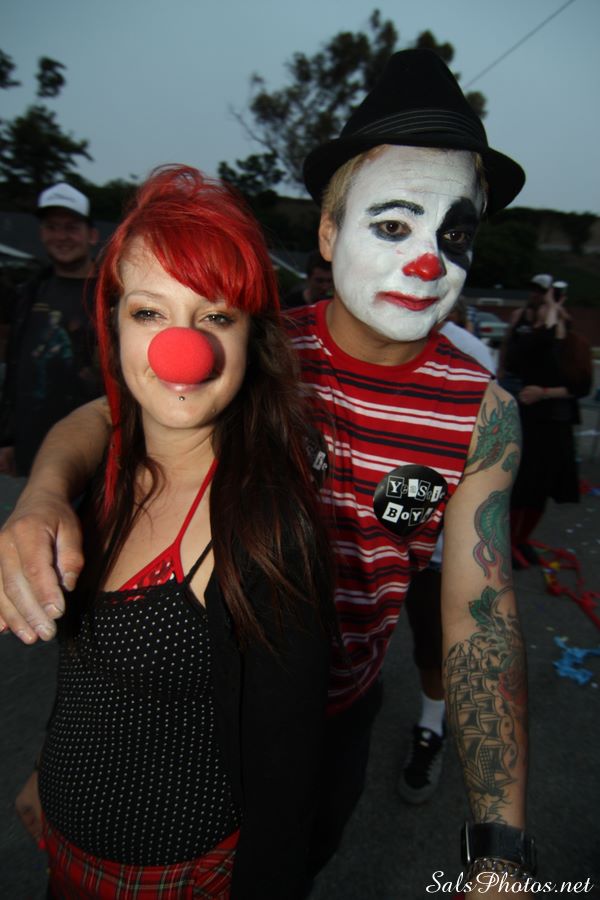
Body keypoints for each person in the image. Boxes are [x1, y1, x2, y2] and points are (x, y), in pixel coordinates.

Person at [1, 51, 536, 892]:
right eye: (393, 225)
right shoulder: (257, 345)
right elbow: (110, 412)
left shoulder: (483, 414)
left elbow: (481, 616)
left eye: (455, 232)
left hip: (335, 712)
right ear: (328, 233)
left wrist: (500, 843)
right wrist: (39, 497)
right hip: (209, 691)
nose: (429, 260)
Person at [13, 165, 335, 899]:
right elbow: (90, 676)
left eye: (216, 317)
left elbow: (287, 775)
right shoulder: (107, 471)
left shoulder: (268, 528)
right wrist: (44, 766)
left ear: (252, 339)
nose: (179, 349)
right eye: (149, 313)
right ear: (114, 325)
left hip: (175, 880)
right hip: (62, 846)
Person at [398, 315, 496, 804]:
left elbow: (484, 461)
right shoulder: (315, 336)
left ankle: (431, 726)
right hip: (343, 536)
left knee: (433, 648)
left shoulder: (469, 353)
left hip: (433, 550)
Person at [0, 183, 103, 476]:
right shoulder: (28, 293)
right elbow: (15, 372)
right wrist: (7, 438)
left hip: (95, 450)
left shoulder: (113, 295)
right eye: (52, 227)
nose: (61, 236)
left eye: (71, 228)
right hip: (32, 448)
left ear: (92, 235)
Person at [501, 275, 592, 568]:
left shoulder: (575, 346)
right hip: (530, 425)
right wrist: (546, 317)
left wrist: (545, 392)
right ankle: (508, 542)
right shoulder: (533, 340)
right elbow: (518, 356)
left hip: (557, 426)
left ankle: (521, 539)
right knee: (521, 488)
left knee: (541, 492)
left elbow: (581, 386)